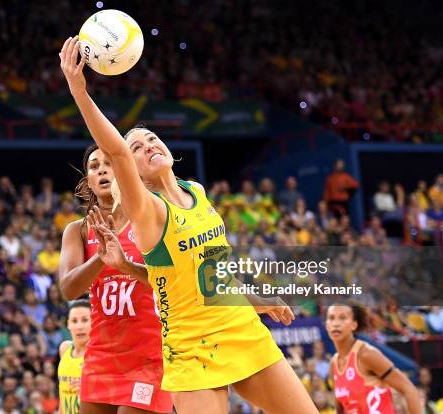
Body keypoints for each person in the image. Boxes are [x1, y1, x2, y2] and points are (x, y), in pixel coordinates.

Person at [60, 36, 315, 414]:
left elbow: (208, 274)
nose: (147, 144)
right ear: (132, 175)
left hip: (240, 328)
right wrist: (79, 91)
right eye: (137, 147)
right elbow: (114, 150)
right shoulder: (147, 207)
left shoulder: (196, 191)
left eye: (151, 138)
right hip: (191, 345)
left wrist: (257, 299)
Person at [59, 144, 172, 413]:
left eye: (109, 164)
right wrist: (100, 257)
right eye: (94, 166)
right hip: (102, 356)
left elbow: (171, 279)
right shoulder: (78, 230)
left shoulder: (148, 220)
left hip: (149, 354)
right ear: (88, 180)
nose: (102, 171)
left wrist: (125, 263)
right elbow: (69, 289)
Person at [325, 303, 422, 414]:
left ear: (354, 325)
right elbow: (341, 409)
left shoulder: (366, 354)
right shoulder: (333, 364)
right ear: (327, 325)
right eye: (331, 318)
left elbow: (409, 389)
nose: (336, 324)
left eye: (342, 318)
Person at [57, 300, 91, 414]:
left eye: (85, 320)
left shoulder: (98, 354)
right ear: (68, 324)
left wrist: (89, 390)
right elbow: (62, 394)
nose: (79, 326)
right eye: (74, 321)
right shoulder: (64, 348)